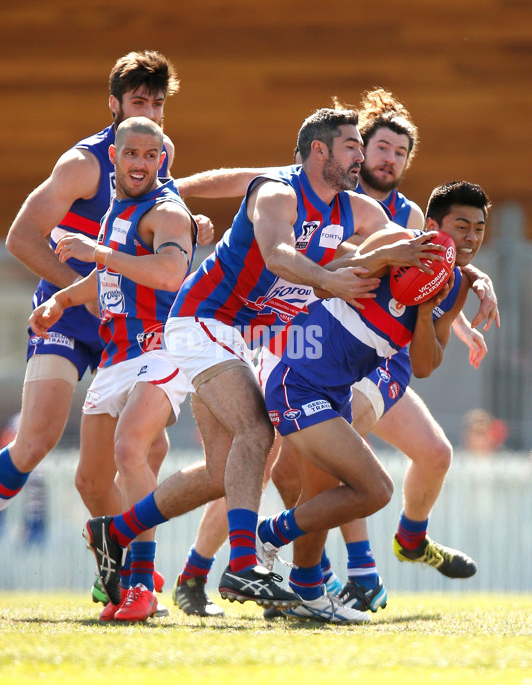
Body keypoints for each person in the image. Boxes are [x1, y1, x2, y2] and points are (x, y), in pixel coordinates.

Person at [82, 104, 446, 612]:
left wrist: (470, 280)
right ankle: (243, 567)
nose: (361, 155)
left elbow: (383, 258)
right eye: (352, 146)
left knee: (221, 473)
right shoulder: (276, 192)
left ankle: (114, 531)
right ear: (320, 151)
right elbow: (278, 254)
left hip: (256, 338)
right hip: (205, 321)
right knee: (258, 433)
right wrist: (330, 279)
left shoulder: (361, 212)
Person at [168, 88, 497, 618]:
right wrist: (168, 191)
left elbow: (434, 274)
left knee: (427, 454)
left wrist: (470, 297)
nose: (387, 159)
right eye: (378, 147)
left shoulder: (407, 214)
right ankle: (220, 570)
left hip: (373, 355)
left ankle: (381, 554)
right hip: (303, 341)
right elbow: (240, 182)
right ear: (353, 150)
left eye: (400, 153)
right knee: (277, 452)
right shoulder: (309, 185)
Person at [0, 50, 210, 616]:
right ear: (113, 104)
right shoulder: (83, 164)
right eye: (139, 102)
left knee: (138, 452)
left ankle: (124, 573)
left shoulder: (156, 155)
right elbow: (20, 237)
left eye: (159, 103)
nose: (152, 112)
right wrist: (76, 291)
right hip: (75, 313)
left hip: (130, 322)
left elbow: (159, 226)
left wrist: (191, 224)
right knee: (36, 438)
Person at [255, 180, 491, 622]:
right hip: (299, 381)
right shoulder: (394, 239)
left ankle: (307, 591)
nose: (472, 238)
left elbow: (424, 365)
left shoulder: (455, 287)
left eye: (479, 228)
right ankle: (267, 535)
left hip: (334, 394)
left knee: (323, 495)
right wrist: (384, 259)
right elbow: (324, 285)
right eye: (462, 226)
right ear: (433, 224)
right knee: (375, 489)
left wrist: (424, 310)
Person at [29, 116, 197, 621]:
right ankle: (129, 571)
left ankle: (141, 585)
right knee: (89, 480)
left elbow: (170, 274)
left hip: (162, 348)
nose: (143, 163)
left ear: (162, 160)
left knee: (131, 447)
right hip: (118, 355)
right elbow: (108, 276)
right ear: (115, 158)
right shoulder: (116, 212)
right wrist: (61, 299)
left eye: (152, 155)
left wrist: (97, 253)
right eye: (133, 154)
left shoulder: (167, 211)